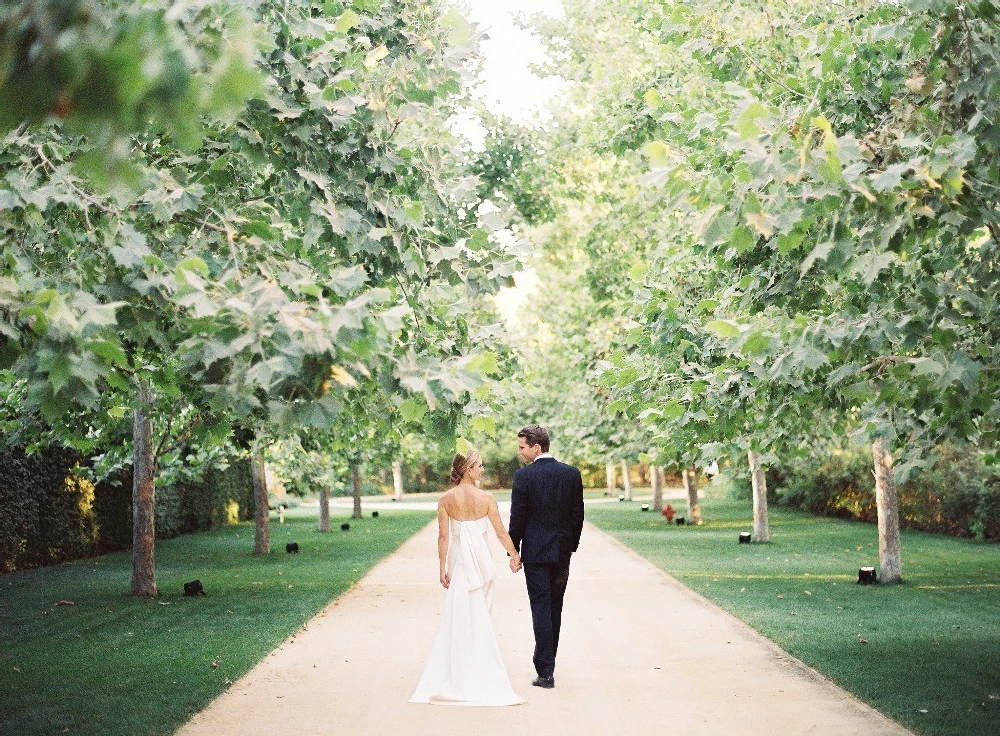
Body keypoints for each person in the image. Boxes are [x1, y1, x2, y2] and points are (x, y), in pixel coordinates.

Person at [409, 449, 526, 706]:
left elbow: (443, 537)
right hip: (481, 561)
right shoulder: (486, 498)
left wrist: (442, 567)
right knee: (479, 613)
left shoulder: (446, 499)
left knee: (460, 614)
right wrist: (513, 554)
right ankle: (479, 667)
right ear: (468, 469)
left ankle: (461, 669)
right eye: (480, 466)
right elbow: (499, 532)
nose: (483, 470)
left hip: (460, 560)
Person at [508, 425, 584, 690]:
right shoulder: (571, 474)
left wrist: (513, 552)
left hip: (537, 554)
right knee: (555, 607)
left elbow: (517, 517)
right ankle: (548, 665)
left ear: (536, 448)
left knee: (540, 607)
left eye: (522, 447)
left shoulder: (523, 477)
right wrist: (570, 547)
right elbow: (578, 516)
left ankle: (545, 671)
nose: (519, 452)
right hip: (561, 553)